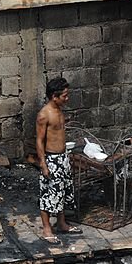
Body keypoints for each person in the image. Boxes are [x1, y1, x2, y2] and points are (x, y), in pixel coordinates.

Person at [35, 77, 82, 245]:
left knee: (62, 191)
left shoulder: (60, 110)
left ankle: (62, 223)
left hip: (63, 157)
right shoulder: (44, 115)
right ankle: (47, 228)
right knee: (48, 195)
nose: (67, 98)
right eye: (65, 95)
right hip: (51, 159)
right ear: (54, 96)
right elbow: (39, 141)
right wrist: (43, 164)